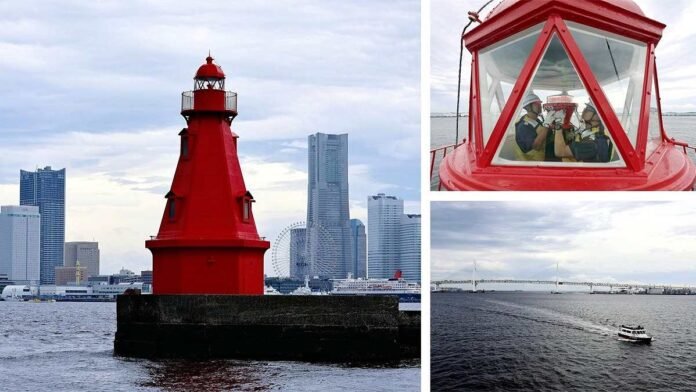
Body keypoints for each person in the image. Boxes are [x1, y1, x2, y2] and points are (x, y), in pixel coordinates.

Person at [514, 92, 559, 161]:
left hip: (540, 160)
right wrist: (547, 125)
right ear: (528, 107)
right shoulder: (523, 126)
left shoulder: (536, 120)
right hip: (529, 165)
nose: (540, 105)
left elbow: (544, 135)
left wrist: (553, 124)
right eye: (536, 104)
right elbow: (536, 146)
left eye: (539, 103)